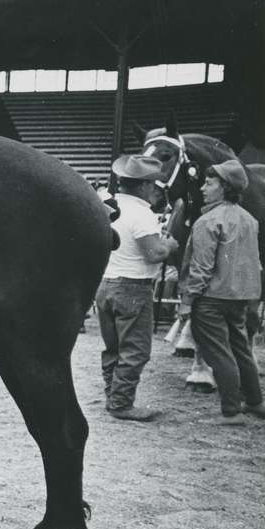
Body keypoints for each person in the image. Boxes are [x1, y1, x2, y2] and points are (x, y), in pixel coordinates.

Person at [179, 160, 265, 419]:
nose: (203, 188)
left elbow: (201, 267)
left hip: (211, 299)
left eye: (209, 183)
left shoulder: (207, 221)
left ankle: (231, 410)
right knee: (240, 349)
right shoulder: (249, 219)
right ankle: (255, 401)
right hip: (240, 297)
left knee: (218, 353)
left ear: (224, 187)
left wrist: (187, 301)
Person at [96, 154, 179, 421]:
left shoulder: (107, 205)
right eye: (154, 185)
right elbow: (153, 253)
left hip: (106, 283)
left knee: (113, 347)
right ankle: (121, 403)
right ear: (144, 185)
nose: (155, 191)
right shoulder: (142, 214)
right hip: (133, 286)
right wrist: (170, 245)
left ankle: (112, 395)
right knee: (136, 349)